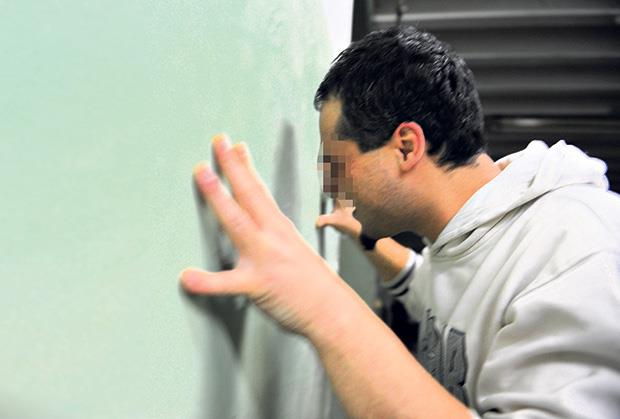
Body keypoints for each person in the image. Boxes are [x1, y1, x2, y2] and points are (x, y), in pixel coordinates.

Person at [180, 26, 620, 418]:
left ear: (406, 147)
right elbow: (425, 286)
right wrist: (365, 237)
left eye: (337, 166)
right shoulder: (466, 238)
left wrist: (320, 303)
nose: (331, 188)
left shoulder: (577, 250)